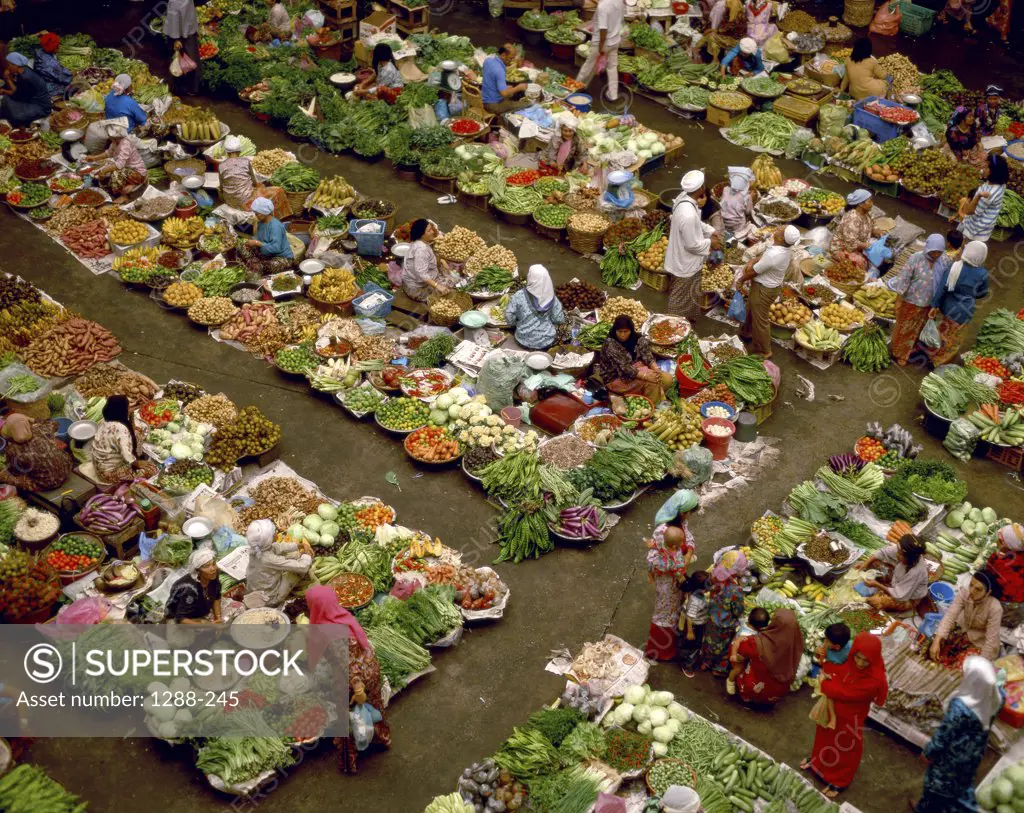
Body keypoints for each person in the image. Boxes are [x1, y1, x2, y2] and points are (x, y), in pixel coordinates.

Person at [305, 586, 391, 774]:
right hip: (371, 669)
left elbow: (347, 664)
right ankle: (381, 737)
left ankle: (349, 759)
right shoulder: (342, 616)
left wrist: (357, 688)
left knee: (348, 718)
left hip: (353, 680)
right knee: (374, 706)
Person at [803, 632, 888, 798]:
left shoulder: (875, 679)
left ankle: (839, 780)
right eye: (858, 657)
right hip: (831, 709)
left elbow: (846, 693)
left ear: (874, 659)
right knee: (823, 736)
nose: (860, 663)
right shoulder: (847, 660)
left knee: (844, 748)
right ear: (853, 652)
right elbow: (833, 669)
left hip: (851, 718)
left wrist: (825, 683)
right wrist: (825, 666)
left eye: (866, 660)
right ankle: (817, 762)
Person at [913, 657, 1004, 813]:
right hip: (974, 753)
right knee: (960, 784)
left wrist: (928, 752)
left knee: (937, 785)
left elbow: (944, 735)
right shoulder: (998, 697)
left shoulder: (961, 707)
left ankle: (924, 809)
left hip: (952, 756)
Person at [645, 490, 698, 660]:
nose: (690, 516)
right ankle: (661, 652)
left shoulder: (680, 524)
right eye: (689, 512)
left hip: (676, 576)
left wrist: (688, 553)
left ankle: (671, 643)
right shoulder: (662, 531)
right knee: (664, 612)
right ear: (682, 512)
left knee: (675, 609)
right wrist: (679, 564)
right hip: (667, 580)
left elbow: (688, 538)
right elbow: (654, 559)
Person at [666, 170, 721, 322]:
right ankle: (674, 323)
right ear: (701, 188)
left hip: (684, 257)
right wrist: (711, 242)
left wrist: (710, 230)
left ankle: (689, 318)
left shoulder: (683, 199)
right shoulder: (688, 214)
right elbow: (692, 244)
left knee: (690, 293)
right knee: (679, 296)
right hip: (685, 262)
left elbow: (697, 223)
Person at [738, 224, 800, 359]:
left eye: (780, 231)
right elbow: (764, 259)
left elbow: (754, 271)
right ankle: (746, 332)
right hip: (768, 287)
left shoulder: (774, 254)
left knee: (760, 320)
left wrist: (741, 280)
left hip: (763, 289)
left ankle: (764, 350)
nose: (777, 230)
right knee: (751, 308)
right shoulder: (784, 249)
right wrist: (754, 260)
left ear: (782, 238)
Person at [888, 233, 950, 366]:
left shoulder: (944, 261)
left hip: (929, 303)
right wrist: (899, 299)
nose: (935, 255)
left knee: (919, 329)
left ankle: (912, 351)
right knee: (905, 329)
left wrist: (937, 303)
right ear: (927, 248)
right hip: (911, 301)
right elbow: (904, 279)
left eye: (938, 252)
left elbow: (944, 283)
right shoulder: (915, 258)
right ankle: (900, 353)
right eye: (933, 252)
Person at [927, 240, 989, 366]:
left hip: (948, 308)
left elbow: (941, 288)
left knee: (943, 332)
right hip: (963, 312)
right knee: (953, 340)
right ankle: (940, 362)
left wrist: (934, 306)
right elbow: (983, 293)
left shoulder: (954, 267)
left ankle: (932, 355)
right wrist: (971, 295)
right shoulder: (982, 274)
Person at [732, 608, 803, 705]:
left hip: (756, 688)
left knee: (738, 660)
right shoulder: (797, 643)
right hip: (778, 692)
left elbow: (740, 654)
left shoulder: (756, 642)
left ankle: (747, 696)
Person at [595, 314, 672, 402]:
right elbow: (625, 368)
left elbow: (646, 354)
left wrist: (655, 368)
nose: (622, 335)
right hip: (616, 377)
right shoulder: (611, 344)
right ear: (615, 330)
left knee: (667, 379)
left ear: (631, 330)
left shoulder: (637, 338)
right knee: (652, 383)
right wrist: (646, 376)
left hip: (636, 368)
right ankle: (650, 406)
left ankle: (645, 395)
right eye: (620, 331)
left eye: (626, 331)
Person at [930, 571, 1002, 663]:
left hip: (979, 641)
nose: (971, 591)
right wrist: (937, 640)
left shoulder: (995, 608)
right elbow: (950, 615)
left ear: (988, 592)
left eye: (978, 589)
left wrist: (981, 662)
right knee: (934, 644)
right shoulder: (964, 592)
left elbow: (990, 641)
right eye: (971, 585)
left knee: (963, 665)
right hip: (962, 628)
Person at [646, 526, 692, 661]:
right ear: (673, 545)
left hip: (661, 584)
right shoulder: (675, 561)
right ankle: (663, 653)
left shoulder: (659, 545)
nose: (682, 545)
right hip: (670, 590)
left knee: (660, 610)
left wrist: (650, 576)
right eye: (680, 543)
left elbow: (650, 554)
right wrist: (687, 587)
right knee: (667, 616)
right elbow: (680, 577)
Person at [217, 136, 292, 218]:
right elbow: (254, 181)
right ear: (239, 151)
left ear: (227, 152)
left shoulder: (221, 166)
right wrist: (259, 187)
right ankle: (274, 217)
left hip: (230, 201)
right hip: (246, 201)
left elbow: (221, 186)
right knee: (278, 190)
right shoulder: (245, 161)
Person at [90, 395, 158, 484]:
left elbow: (131, 431)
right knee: (152, 469)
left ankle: (138, 456)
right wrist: (137, 463)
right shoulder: (121, 430)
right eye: (127, 407)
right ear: (121, 411)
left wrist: (131, 416)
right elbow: (127, 455)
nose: (129, 409)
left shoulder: (104, 421)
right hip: (109, 474)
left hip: (100, 466)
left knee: (137, 434)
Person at [244, 519, 313, 607]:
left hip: (258, 589)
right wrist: (307, 555)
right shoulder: (268, 559)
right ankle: (277, 600)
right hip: (270, 599)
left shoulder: (257, 549)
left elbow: (277, 547)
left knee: (293, 555)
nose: (276, 533)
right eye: (274, 533)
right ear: (268, 539)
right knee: (297, 570)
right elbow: (303, 567)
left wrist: (298, 545)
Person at [701, 550, 748, 677]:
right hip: (725, 624)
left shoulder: (714, 575)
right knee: (722, 647)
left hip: (711, 617)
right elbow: (737, 610)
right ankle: (718, 669)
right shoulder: (735, 590)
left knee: (709, 641)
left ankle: (705, 662)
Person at [857, 534, 929, 613]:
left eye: (900, 554)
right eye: (898, 552)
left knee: (875, 601)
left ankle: (885, 592)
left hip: (907, 598)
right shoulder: (903, 549)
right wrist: (865, 564)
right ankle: (886, 587)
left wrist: (877, 584)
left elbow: (900, 595)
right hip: (897, 581)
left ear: (910, 558)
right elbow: (883, 552)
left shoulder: (916, 572)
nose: (897, 554)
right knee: (873, 563)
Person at [0, 413, 72, 492]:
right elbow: (55, 423)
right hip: (67, 469)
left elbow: (14, 472)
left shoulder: (12, 450)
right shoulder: (41, 429)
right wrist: (33, 420)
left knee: (4, 475)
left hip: (47, 484)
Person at [504, 265, 565, 350]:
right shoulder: (552, 298)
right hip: (546, 342)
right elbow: (559, 319)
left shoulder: (519, 295)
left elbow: (509, 315)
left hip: (522, 340)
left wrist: (515, 323)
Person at [575, 0, 624, 103]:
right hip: (615, 40)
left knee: (589, 65)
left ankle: (577, 86)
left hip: (602, 42)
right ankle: (613, 94)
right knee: (612, 67)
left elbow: (603, 29)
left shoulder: (603, 6)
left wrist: (601, 47)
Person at [86, 120, 147, 202]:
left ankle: (124, 195)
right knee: (108, 169)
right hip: (128, 169)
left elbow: (119, 164)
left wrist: (104, 170)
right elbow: (108, 153)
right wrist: (94, 158)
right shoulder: (115, 142)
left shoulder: (125, 144)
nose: (109, 137)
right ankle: (125, 186)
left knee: (116, 174)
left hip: (138, 173)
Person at [237, 196, 294, 277]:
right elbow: (257, 237)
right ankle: (253, 263)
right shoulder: (261, 222)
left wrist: (258, 243)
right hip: (265, 253)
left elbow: (275, 248)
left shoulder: (275, 226)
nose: (256, 216)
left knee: (262, 266)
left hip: (280, 257)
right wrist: (250, 242)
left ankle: (255, 265)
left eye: (257, 214)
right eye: (255, 213)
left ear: (265, 212)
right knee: (240, 246)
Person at [960, 154, 1009, 243]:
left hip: (976, 229)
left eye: (986, 168)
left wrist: (973, 198)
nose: (983, 169)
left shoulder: (988, 194)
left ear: (993, 172)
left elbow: (969, 211)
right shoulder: (1000, 184)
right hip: (985, 226)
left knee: (966, 248)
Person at [402, 219, 454, 302]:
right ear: (422, 235)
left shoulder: (422, 242)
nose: (433, 232)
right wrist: (437, 286)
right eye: (429, 230)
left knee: (449, 276)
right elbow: (421, 273)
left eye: (431, 229)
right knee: (449, 289)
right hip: (417, 288)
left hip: (418, 277)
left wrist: (441, 261)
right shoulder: (421, 250)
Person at [166, 549, 223, 624]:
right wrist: (210, 626)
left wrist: (218, 618)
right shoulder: (190, 589)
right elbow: (181, 619)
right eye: (207, 566)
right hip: (180, 617)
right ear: (197, 571)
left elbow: (217, 596)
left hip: (200, 609)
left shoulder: (213, 575)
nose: (213, 569)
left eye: (214, 564)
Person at [725, 607, 770, 695]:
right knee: (738, 668)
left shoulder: (746, 621)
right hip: (737, 652)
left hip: (738, 646)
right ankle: (730, 681)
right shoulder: (747, 635)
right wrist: (734, 654)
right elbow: (737, 643)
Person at [986, 524, 1024, 625]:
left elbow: (991, 575)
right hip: (1019, 598)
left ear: (1007, 545)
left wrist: (994, 559)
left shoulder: (1002, 565)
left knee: (1002, 616)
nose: (997, 543)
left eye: (1000, 541)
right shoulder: (1018, 553)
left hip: (1008, 603)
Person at [829, 189, 874, 274]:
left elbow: (872, 224)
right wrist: (867, 246)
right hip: (842, 248)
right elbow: (851, 243)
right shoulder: (852, 219)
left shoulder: (866, 213)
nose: (872, 203)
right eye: (870, 201)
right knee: (861, 263)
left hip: (858, 247)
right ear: (861, 204)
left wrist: (877, 231)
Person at [0, 53, 52, 126]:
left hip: (40, 106)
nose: (8, 68)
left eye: (9, 65)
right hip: (30, 99)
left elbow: (17, 96)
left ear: (15, 65)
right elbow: (18, 90)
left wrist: (5, 87)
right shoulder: (24, 70)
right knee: (6, 99)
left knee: (17, 115)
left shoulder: (26, 78)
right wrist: (8, 79)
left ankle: (18, 125)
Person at [165, 0, 201, 96]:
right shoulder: (174, 2)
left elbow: (190, 14)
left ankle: (191, 88)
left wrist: (194, 28)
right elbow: (174, 19)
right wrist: (176, 39)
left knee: (190, 62)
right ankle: (181, 89)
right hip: (180, 36)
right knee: (179, 62)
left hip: (188, 33)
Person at [679, 570, 710, 677]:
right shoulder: (694, 600)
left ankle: (692, 658)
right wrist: (690, 632)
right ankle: (687, 665)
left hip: (700, 624)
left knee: (697, 644)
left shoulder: (698, 594)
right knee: (692, 646)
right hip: (694, 627)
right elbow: (690, 617)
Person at [481, 44, 529, 114]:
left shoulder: (488, 60)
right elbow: (504, 93)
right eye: (511, 58)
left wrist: (506, 88)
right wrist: (518, 88)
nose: (512, 61)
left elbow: (491, 80)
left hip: (484, 98)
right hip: (493, 105)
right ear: (503, 55)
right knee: (527, 104)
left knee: (511, 91)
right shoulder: (499, 70)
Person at [714, 169, 756, 239]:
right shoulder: (746, 196)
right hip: (737, 226)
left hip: (723, 222)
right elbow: (748, 211)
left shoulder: (725, 189)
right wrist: (751, 197)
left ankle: (728, 237)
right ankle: (736, 238)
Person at [33, 32, 71, 98]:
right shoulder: (51, 64)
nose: (59, 47)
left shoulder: (39, 52)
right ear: (54, 48)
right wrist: (73, 75)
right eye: (57, 46)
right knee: (72, 89)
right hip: (47, 88)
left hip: (40, 81)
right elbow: (65, 78)